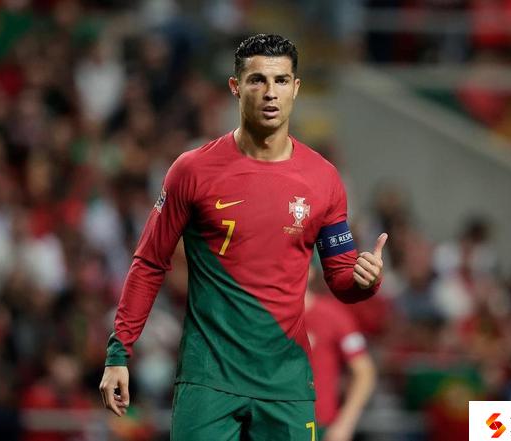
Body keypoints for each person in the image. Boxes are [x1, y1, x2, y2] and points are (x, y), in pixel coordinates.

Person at [99, 33, 387, 440]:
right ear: (235, 86)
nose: (270, 92)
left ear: (296, 88)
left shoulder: (323, 179)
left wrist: (365, 280)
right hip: (208, 381)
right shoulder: (192, 171)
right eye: (257, 80)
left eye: (281, 80)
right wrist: (119, 352)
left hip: (286, 384)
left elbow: (340, 278)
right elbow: (149, 262)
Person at [304, 265, 376, 441]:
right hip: (273, 422)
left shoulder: (333, 315)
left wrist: (345, 423)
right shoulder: (264, 315)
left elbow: (364, 371)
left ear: (311, 271)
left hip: (320, 426)